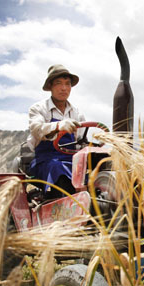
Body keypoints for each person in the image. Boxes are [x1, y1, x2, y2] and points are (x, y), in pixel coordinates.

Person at [27, 64, 85, 199]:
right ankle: (60, 207)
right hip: (46, 160)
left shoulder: (77, 114)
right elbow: (37, 129)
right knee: (57, 168)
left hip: (71, 160)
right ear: (50, 87)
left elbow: (80, 141)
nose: (64, 88)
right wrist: (58, 126)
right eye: (58, 83)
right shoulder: (39, 109)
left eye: (67, 84)